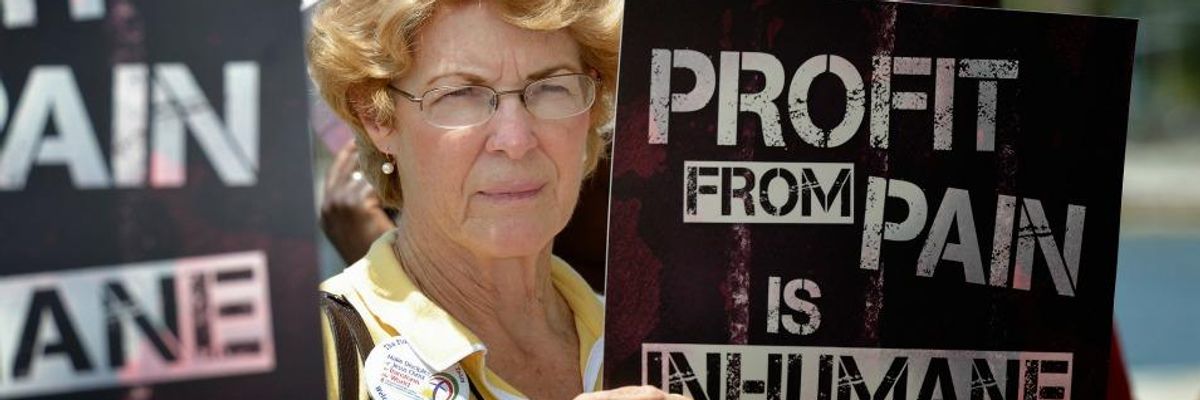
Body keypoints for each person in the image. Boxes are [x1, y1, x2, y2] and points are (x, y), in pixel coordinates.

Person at [307, 0, 685, 399]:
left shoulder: (663, 349)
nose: (516, 140)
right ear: (377, 116)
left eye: (552, 87)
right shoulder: (313, 354)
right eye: (461, 93)